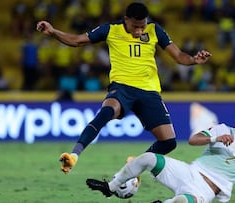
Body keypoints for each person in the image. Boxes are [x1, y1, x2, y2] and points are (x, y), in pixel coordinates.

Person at [36, 2, 212, 174]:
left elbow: (179, 56)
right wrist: (53, 32)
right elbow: (77, 40)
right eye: (135, 26)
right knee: (106, 112)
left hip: (149, 91)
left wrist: (194, 60)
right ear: (126, 19)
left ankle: (134, 166)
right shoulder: (111, 29)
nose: (139, 31)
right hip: (122, 87)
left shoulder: (154, 30)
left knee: (169, 142)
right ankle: (73, 155)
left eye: (142, 26)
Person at [86, 106, 235, 203]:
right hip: (188, 172)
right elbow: (193, 140)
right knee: (148, 158)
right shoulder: (222, 129)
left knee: (182, 202)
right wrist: (215, 139)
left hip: (205, 191)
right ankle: (110, 187)